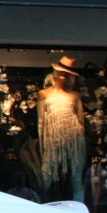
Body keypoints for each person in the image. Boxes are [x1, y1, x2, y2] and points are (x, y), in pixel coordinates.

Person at [38, 56, 86, 202]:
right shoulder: (44, 94)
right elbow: (41, 120)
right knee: (47, 174)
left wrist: (80, 136)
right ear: (54, 72)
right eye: (60, 72)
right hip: (53, 138)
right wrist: (43, 143)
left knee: (76, 177)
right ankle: (38, 205)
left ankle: (80, 210)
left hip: (74, 139)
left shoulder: (74, 95)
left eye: (66, 74)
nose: (62, 76)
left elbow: (80, 120)